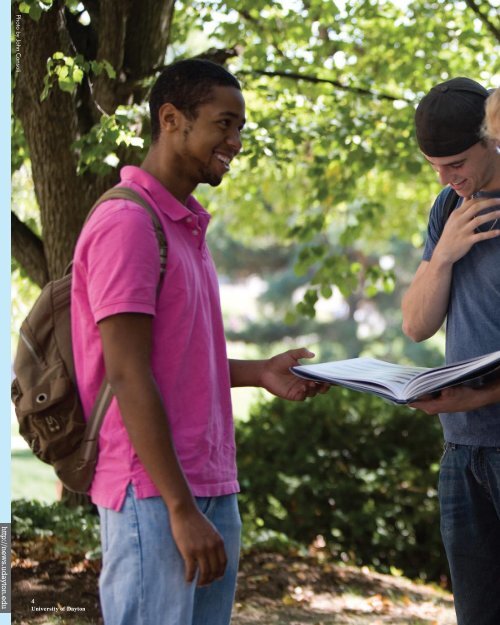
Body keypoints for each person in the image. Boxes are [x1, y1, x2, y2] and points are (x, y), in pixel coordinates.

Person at [71, 59, 326, 625]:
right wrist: (179, 508)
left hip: (207, 482)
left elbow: (179, 361)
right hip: (154, 491)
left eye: (240, 128)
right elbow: (127, 372)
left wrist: (259, 371)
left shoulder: (184, 226)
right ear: (172, 119)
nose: (235, 142)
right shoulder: (129, 223)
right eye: (224, 124)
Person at [401, 78, 500, 625]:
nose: (446, 178)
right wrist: (442, 257)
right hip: (461, 453)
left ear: (492, 138)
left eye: (456, 162)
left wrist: (482, 394)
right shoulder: (448, 206)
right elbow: (416, 325)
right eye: (434, 165)